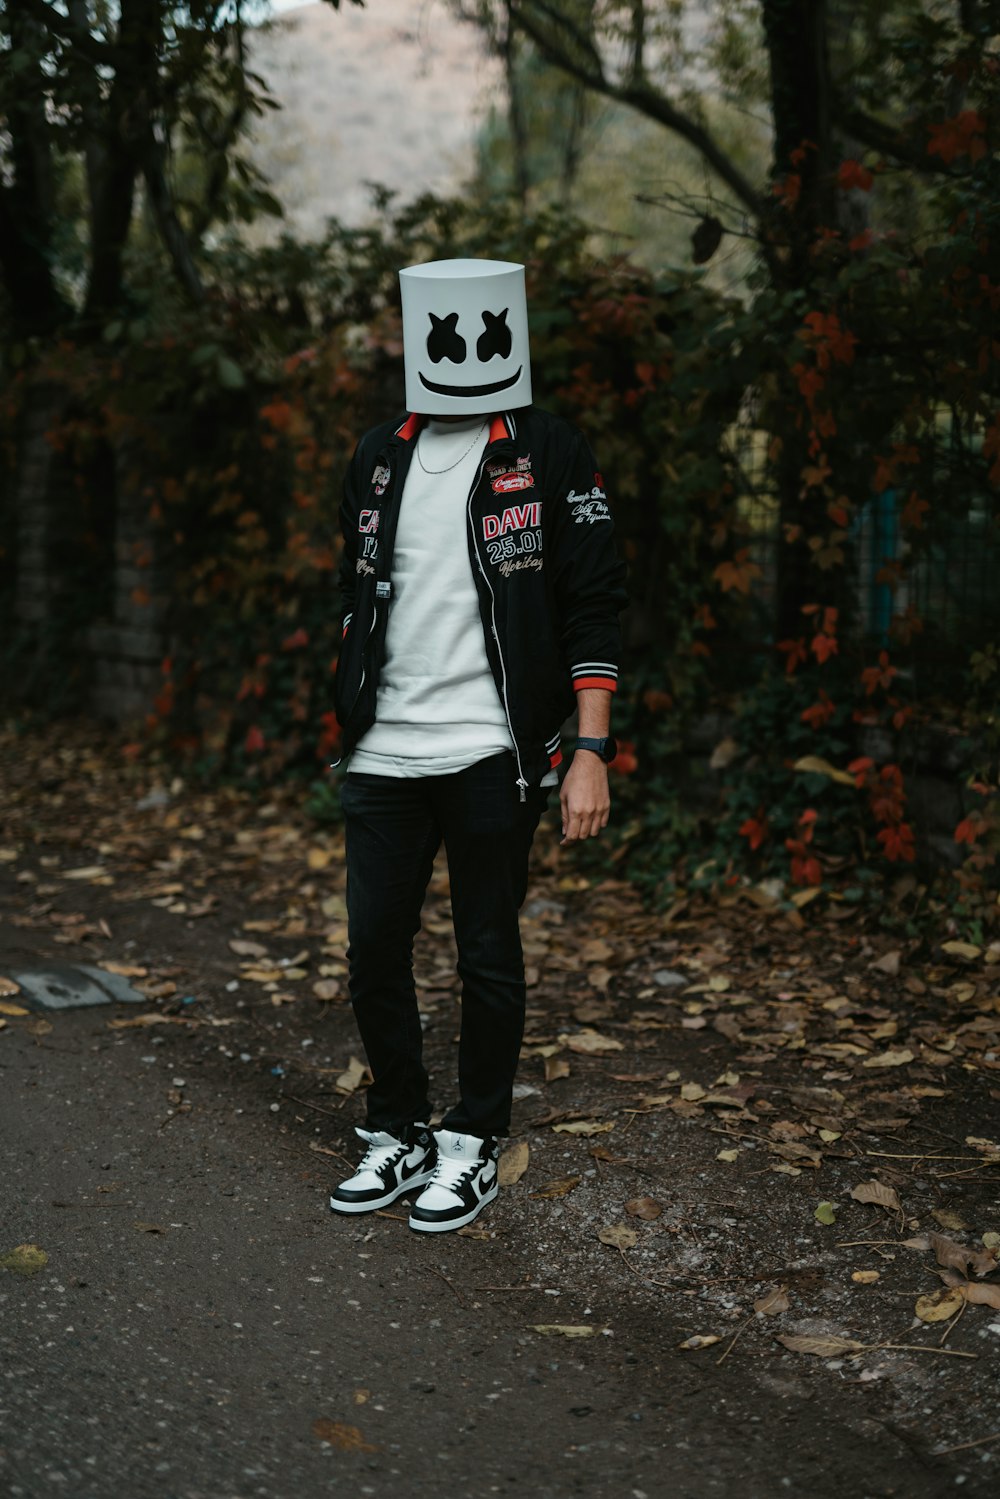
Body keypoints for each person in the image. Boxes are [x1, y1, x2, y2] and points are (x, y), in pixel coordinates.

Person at [326, 258, 628, 1233]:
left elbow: (593, 604)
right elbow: (356, 588)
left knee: (486, 951)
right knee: (373, 946)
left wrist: (590, 747)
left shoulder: (546, 451)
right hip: (385, 751)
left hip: (493, 750)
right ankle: (399, 1126)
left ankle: (472, 1140)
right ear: (416, 336)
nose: (460, 349)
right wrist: (349, 687)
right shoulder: (379, 454)